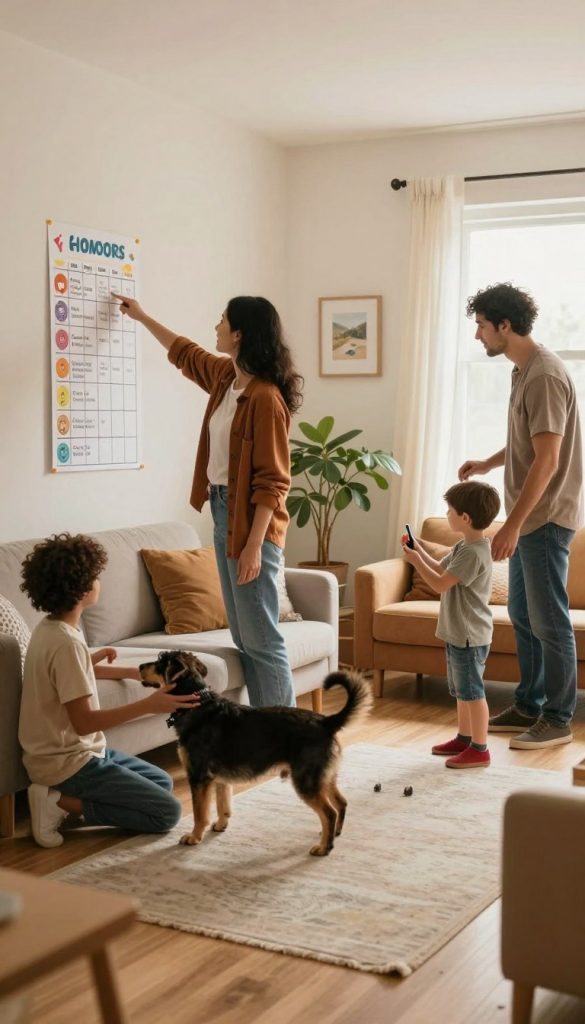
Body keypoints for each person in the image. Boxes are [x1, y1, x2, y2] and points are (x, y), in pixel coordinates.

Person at [112, 292, 303, 708]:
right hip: (223, 511)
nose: (215, 326)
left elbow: (273, 482)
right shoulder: (225, 379)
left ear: (238, 334)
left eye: (222, 320)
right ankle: (261, 729)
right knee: (243, 635)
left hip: (253, 522)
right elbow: (186, 353)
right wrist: (143, 316)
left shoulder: (266, 399)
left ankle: (287, 735)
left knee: (262, 637)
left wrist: (254, 546)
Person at [459, 282, 583, 749]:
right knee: (521, 612)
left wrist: (510, 524)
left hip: (545, 519)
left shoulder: (545, 375)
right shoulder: (523, 371)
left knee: (549, 620)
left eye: (481, 326)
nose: (478, 336)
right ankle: (530, 703)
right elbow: (529, 443)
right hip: (531, 518)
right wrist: (489, 464)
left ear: (504, 326)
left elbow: (548, 460)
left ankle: (557, 718)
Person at [18, 532, 199, 848]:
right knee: (166, 813)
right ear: (83, 587)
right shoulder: (66, 644)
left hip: (70, 754)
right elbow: (84, 722)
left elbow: (67, 673)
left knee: (162, 781)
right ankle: (58, 802)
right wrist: (150, 705)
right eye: (96, 576)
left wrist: (130, 672)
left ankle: (66, 801)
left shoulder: (50, 630)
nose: (100, 582)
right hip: (66, 763)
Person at [402, 481, 501, 768]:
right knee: (461, 691)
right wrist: (418, 552)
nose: (446, 515)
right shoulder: (464, 545)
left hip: (470, 634)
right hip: (459, 632)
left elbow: (440, 584)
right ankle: (464, 737)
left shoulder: (474, 553)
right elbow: (441, 568)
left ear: (465, 518)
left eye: (450, 511)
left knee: (472, 692)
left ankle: (480, 749)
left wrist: (415, 561)